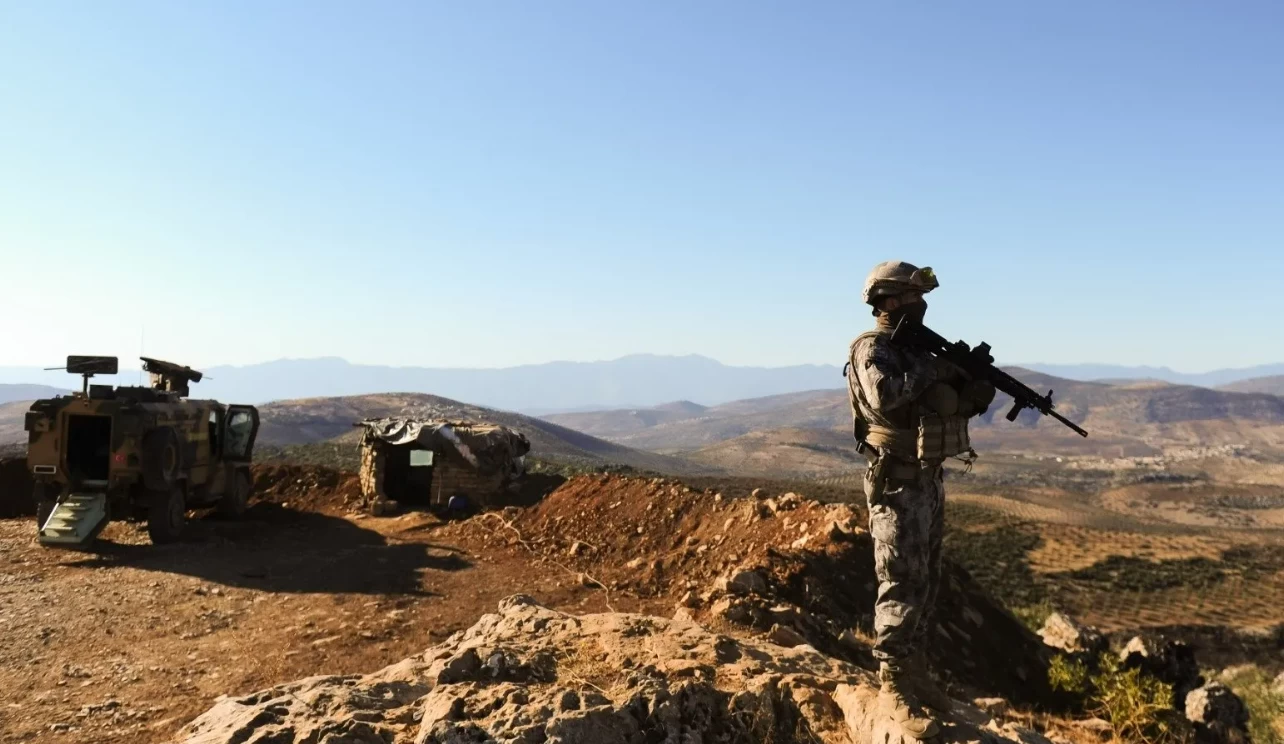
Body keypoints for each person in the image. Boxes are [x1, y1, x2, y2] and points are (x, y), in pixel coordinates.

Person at [845, 261, 996, 739]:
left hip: (927, 480)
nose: (921, 306)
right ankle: (893, 685)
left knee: (925, 582)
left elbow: (938, 403)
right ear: (889, 302)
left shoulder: (913, 348)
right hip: (896, 484)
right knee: (901, 584)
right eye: (912, 298)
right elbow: (887, 395)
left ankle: (917, 673)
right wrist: (939, 367)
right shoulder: (873, 349)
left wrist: (968, 388)